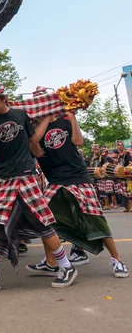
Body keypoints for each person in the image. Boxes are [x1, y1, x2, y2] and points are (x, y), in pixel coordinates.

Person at [0, 81, 78, 292]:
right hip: (2, 179)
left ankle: (66, 266)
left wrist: (46, 117)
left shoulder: (20, 115)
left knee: (41, 221)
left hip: (25, 175)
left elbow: (33, 139)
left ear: (3, 98)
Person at [28, 109, 129, 278]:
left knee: (95, 217)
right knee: (44, 220)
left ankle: (117, 260)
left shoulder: (65, 122)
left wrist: (73, 117)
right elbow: (37, 151)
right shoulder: (35, 132)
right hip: (56, 181)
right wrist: (43, 120)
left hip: (78, 177)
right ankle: (51, 262)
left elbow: (78, 141)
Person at [114, 141, 132, 212]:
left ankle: (131, 207)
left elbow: (130, 163)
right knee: (124, 192)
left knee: (129, 191)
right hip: (122, 176)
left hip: (127, 175)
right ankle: (128, 207)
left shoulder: (127, 153)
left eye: (119, 145)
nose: (118, 147)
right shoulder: (120, 155)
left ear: (123, 146)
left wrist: (124, 169)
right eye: (117, 145)